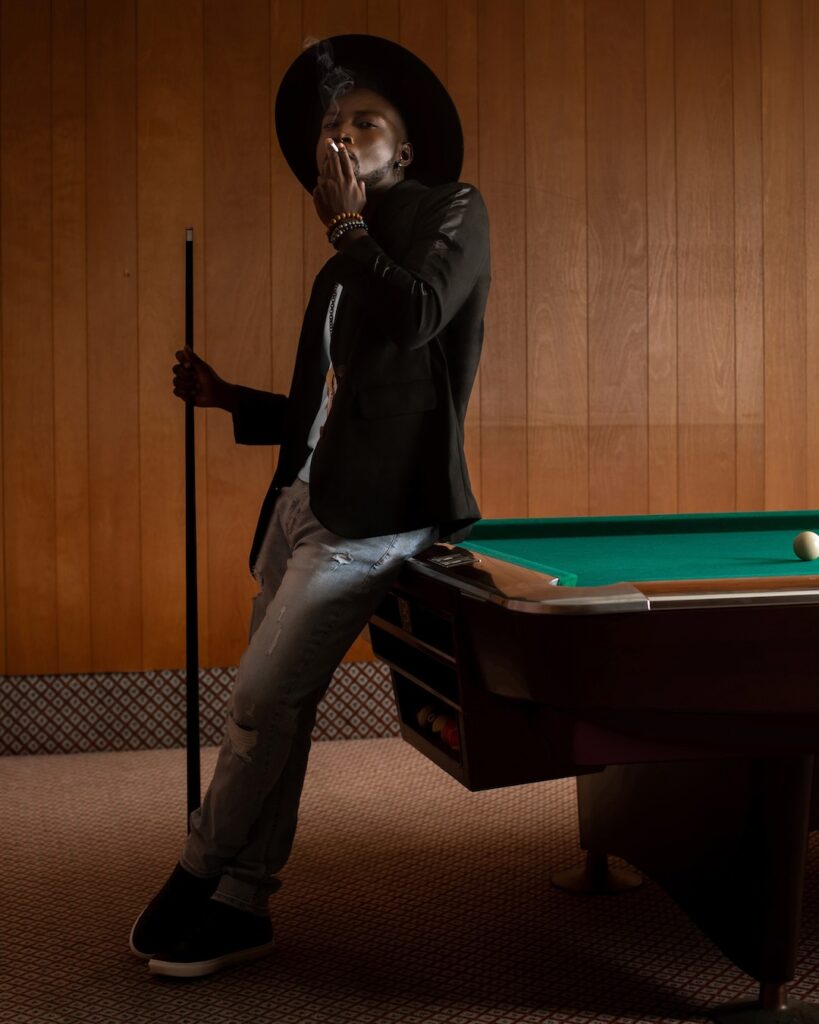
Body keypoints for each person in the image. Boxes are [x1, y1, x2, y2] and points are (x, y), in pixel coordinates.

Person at [130, 34, 490, 979]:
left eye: (364, 122)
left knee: (256, 697)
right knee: (277, 712)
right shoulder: (341, 265)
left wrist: (348, 233)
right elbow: (334, 406)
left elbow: (418, 316)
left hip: (381, 516)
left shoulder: (450, 211)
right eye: (332, 123)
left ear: (401, 153)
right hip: (300, 504)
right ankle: (245, 902)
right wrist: (227, 398)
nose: (342, 133)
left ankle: (200, 868)